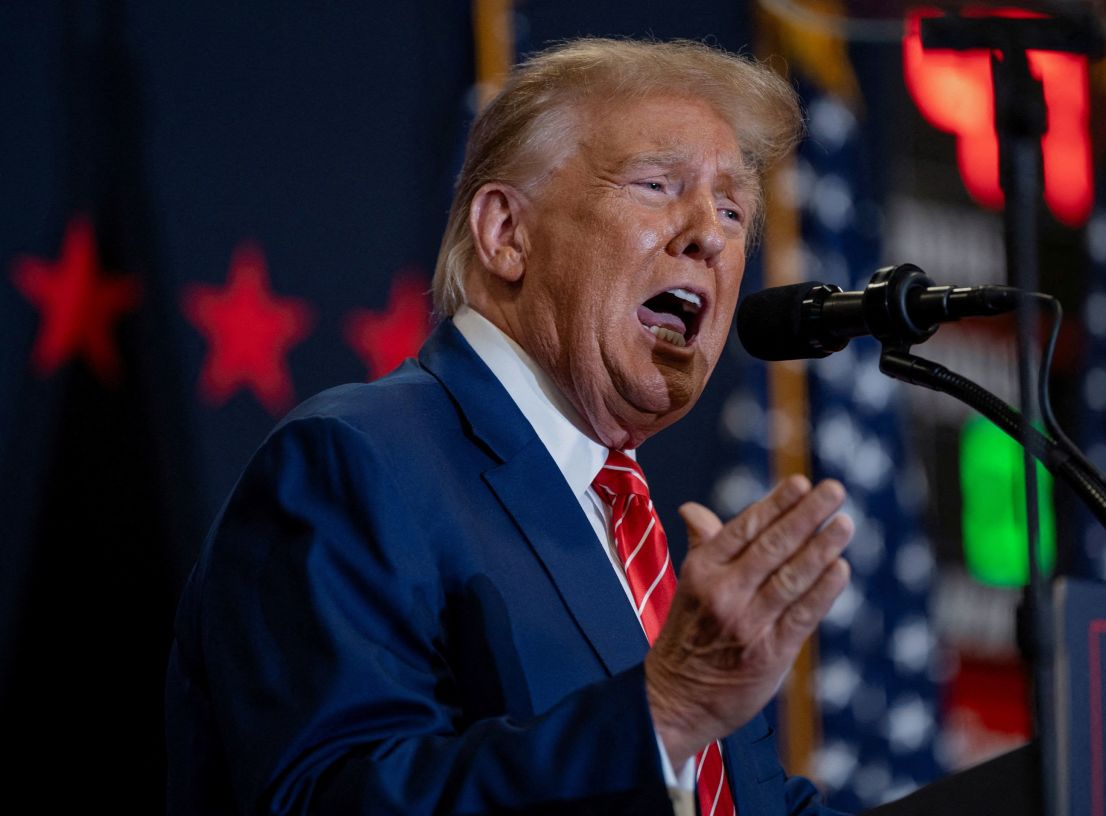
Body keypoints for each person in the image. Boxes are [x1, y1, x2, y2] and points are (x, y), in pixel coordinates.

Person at [167, 38, 858, 815]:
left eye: (733, 210)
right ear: (505, 233)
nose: (709, 234)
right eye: (658, 184)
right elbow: (331, 799)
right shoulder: (354, 462)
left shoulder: (626, 528)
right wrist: (661, 711)